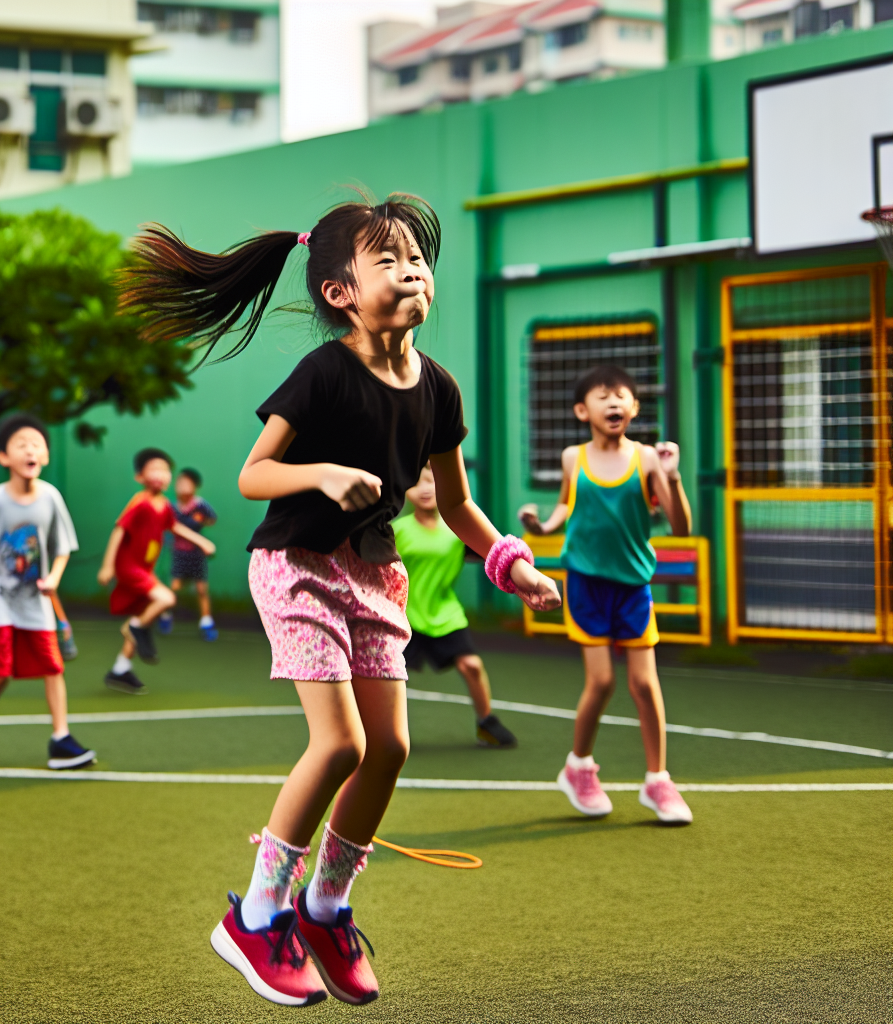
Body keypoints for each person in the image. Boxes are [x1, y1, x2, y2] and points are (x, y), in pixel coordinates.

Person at [120, 193, 559, 1007]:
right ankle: (255, 916)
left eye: (417, 258)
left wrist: (511, 563)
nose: (412, 270)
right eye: (387, 259)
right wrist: (322, 474)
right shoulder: (324, 373)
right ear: (339, 293)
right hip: (296, 566)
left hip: (371, 575)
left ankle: (325, 907)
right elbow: (254, 475)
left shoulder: (439, 388)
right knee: (341, 746)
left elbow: (459, 506)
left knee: (390, 747)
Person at [519, 365, 692, 825]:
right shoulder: (573, 458)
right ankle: (578, 768)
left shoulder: (649, 461)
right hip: (586, 584)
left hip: (633, 585)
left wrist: (673, 478)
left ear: (634, 408)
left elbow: (681, 528)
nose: (613, 402)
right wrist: (543, 526)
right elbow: (564, 506)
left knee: (644, 683)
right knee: (602, 682)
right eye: (602, 396)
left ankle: (658, 780)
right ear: (582, 410)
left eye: (621, 396)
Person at [0, 414, 92, 770]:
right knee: (0, 670)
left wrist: (55, 577)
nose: (30, 449)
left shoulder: (51, 498)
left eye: (37, 445)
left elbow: (62, 547)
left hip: (33, 596)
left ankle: (60, 740)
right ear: (3, 457)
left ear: (45, 456)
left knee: (52, 665)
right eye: (21, 444)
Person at [392, 465, 517, 748]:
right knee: (391, 677)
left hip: (445, 613)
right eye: (417, 481)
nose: (425, 488)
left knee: (471, 665)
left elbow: (494, 555)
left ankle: (487, 723)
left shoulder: (459, 531)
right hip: (404, 617)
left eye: (433, 481)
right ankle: (381, 733)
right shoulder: (396, 531)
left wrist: (523, 578)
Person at [98, 448, 215, 694]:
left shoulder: (163, 504)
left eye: (165, 470)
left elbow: (175, 527)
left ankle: (120, 669)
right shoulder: (140, 502)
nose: (161, 474)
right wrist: (108, 565)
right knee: (166, 598)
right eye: (154, 469)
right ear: (139, 477)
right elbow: (119, 529)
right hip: (129, 567)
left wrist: (201, 542)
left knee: (143, 615)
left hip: (145, 568)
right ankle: (134, 629)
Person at [161, 467, 219, 641]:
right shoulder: (171, 507)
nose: (183, 486)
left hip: (197, 555)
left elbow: (211, 518)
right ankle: (165, 615)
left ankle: (206, 623)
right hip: (179, 553)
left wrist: (200, 526)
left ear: (194, 486)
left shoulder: (200, 505)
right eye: (180, 482)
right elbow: (169, 526)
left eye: (188, 483)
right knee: (175, 587)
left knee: (201, 588)